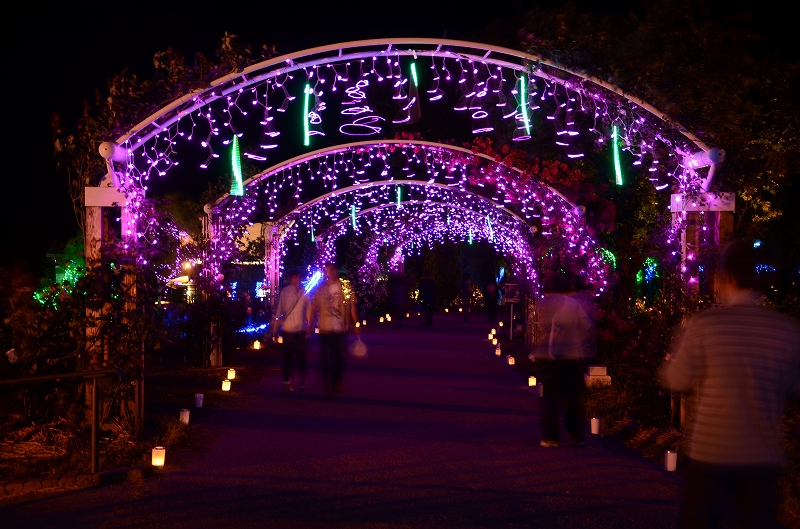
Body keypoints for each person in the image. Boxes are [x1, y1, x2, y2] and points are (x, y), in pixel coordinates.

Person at [661, 239, 800, 528]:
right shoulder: (787, 330)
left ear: (728, 277)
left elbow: (676, 378)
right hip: (762, 454)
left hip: (712, 452)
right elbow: (793, 386)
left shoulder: (705, 325)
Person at [533, 274, 592, 448]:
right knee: (573, 398)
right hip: (573, 356)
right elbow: (587, 326)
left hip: (555, 357)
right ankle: (576, 435)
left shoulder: (554, 303)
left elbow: (550, 326)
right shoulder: (575, 304)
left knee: (549, 397)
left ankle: (551, 437)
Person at [307, 263, 359, 393]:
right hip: (325, 328)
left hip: (341, 328)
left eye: (333, 270)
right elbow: (313, 307)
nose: (331, 272)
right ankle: (327, 380)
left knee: (340, 357)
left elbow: (352, 306)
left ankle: (337, 380)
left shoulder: (345, 287)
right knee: (326, 356)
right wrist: (310, 324)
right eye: (329, 270)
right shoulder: (321, 289)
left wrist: (356, 323)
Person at [272, 270, 309, 392]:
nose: (296, 280)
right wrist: (275, 329)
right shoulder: (285, 292)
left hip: (300, 329)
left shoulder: (304, 292)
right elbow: (280, 310)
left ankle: (302, 381)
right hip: (287, 329)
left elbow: (308, 308)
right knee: (287, 357)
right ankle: (286, 381)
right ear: (290, 279)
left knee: (301, 357)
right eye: (294, 277)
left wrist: (309, 324)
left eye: (298, 277)